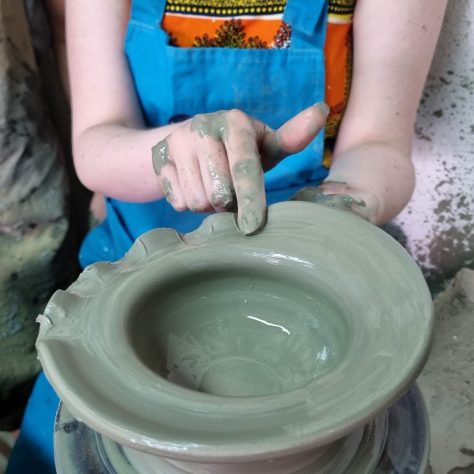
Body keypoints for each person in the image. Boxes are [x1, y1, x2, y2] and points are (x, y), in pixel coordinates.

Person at [7, 0, 448, 472]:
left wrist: (346, 202)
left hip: (311, 239)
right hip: (139, 247)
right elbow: (97, 143)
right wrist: (172, 153)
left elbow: (379, 144)